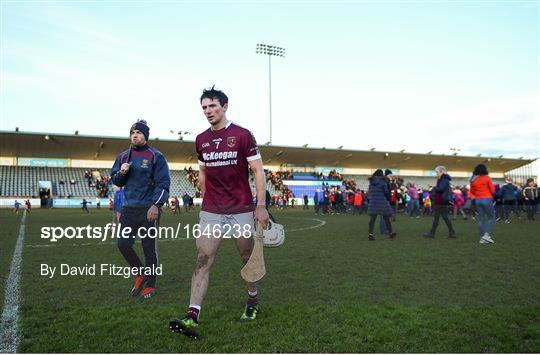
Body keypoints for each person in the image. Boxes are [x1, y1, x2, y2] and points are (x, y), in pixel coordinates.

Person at [170, 87, 269, 338]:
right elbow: (202, 170)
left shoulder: (243, 135)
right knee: (202, 259)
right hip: (212, 209)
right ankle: (192, 315)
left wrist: (260, 205)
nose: (208, 111)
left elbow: (258, 170)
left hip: (241, 208)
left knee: (247, 258)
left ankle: (252, 301)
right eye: (204, 107)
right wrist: (205, 195)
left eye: (212, 106)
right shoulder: (201, 140)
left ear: (225, 106)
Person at [111, 119, 171, 299]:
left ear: (145, 135)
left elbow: (163, 184)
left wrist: (156, 205)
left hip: (148, 209)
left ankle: (150, 284)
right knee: (123, 244)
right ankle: (141, 272)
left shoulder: (155, 156)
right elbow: (116, 181)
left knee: (148, 247)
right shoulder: (123, 157)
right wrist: (121, 173)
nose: (134, 135)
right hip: (129, 209)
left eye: (138, 132)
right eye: (132, 133)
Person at [423, 166, 456, 239]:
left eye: (437, 172)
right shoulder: (443, 179)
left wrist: (434, 188)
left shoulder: (444, 180)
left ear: (442, 172)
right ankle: (451, 232)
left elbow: (440, 189)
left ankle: (432, 233)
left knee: (438, 217)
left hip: (441, 200)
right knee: (442, 217)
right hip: (442, 200)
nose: (436, 174)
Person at [469, 164, 495, 244]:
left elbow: (472, 191)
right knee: (491, 218)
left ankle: (482, 238)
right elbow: (493, 190)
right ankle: (486, 236)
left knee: (481, 219)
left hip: (478, 200)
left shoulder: (473, 180)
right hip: (486, 199)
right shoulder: (487, 178)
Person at [367, 169, 396, 240]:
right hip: (382, 201)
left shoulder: (371, 181)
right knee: (386, 218)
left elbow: (370, 191)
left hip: (373, 201)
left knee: (372, 219)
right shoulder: (383, 181)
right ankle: (391, 233)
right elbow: (386, 191)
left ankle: (370, 234)